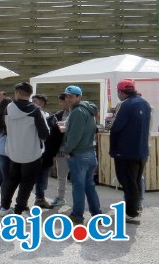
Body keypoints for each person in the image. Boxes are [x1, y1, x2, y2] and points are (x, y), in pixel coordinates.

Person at [0, 82, 49, 216]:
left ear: (17, 93)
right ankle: (19, 210)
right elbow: (44, 133)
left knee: (11, 180)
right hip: (31, 153)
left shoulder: (8, 108)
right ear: (30, 94)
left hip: (13, 151)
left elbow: (6, 127)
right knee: (27, 183)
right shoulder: (36, 110)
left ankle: (4, 207)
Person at [109, 79, 151, 222]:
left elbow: (114, 126)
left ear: (120, 92)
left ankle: (131, 212)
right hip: (141, 149)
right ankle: (136, 207)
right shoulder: (145, 103)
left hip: (125, 150)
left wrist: (108, 123)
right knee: (136, 180)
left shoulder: (124, 105)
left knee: (127, 181)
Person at [62, 85, 102, 225]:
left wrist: (66, 150)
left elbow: (75, 136)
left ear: (79, 97)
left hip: (79, 154)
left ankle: (77, 215)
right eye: (67, 96)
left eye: (71, 96)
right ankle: (97, 215)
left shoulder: (78, 111)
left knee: (78, 187)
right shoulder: (88, 110)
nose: (68, 99)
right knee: (89, 186)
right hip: (90, 153)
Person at [31, 94, 62, 209]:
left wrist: (53, 151)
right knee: (29, 178)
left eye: (36, 101)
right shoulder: (27, 116)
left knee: (43, 177)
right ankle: (22, 201)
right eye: (32, 101)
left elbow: (56, 136)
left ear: (42, 103)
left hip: (46, 153)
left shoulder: (51, 117)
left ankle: (40, 198)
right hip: (30, 153)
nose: (33, 103)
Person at [50, 93, 71, 206]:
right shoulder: (59, 114)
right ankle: (60, 197)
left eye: (62, 101)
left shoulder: (77, 113)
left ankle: (78, 200)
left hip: (75, 150)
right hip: (61, 149)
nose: (60, 104)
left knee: (77, 177)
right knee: (61, 175)